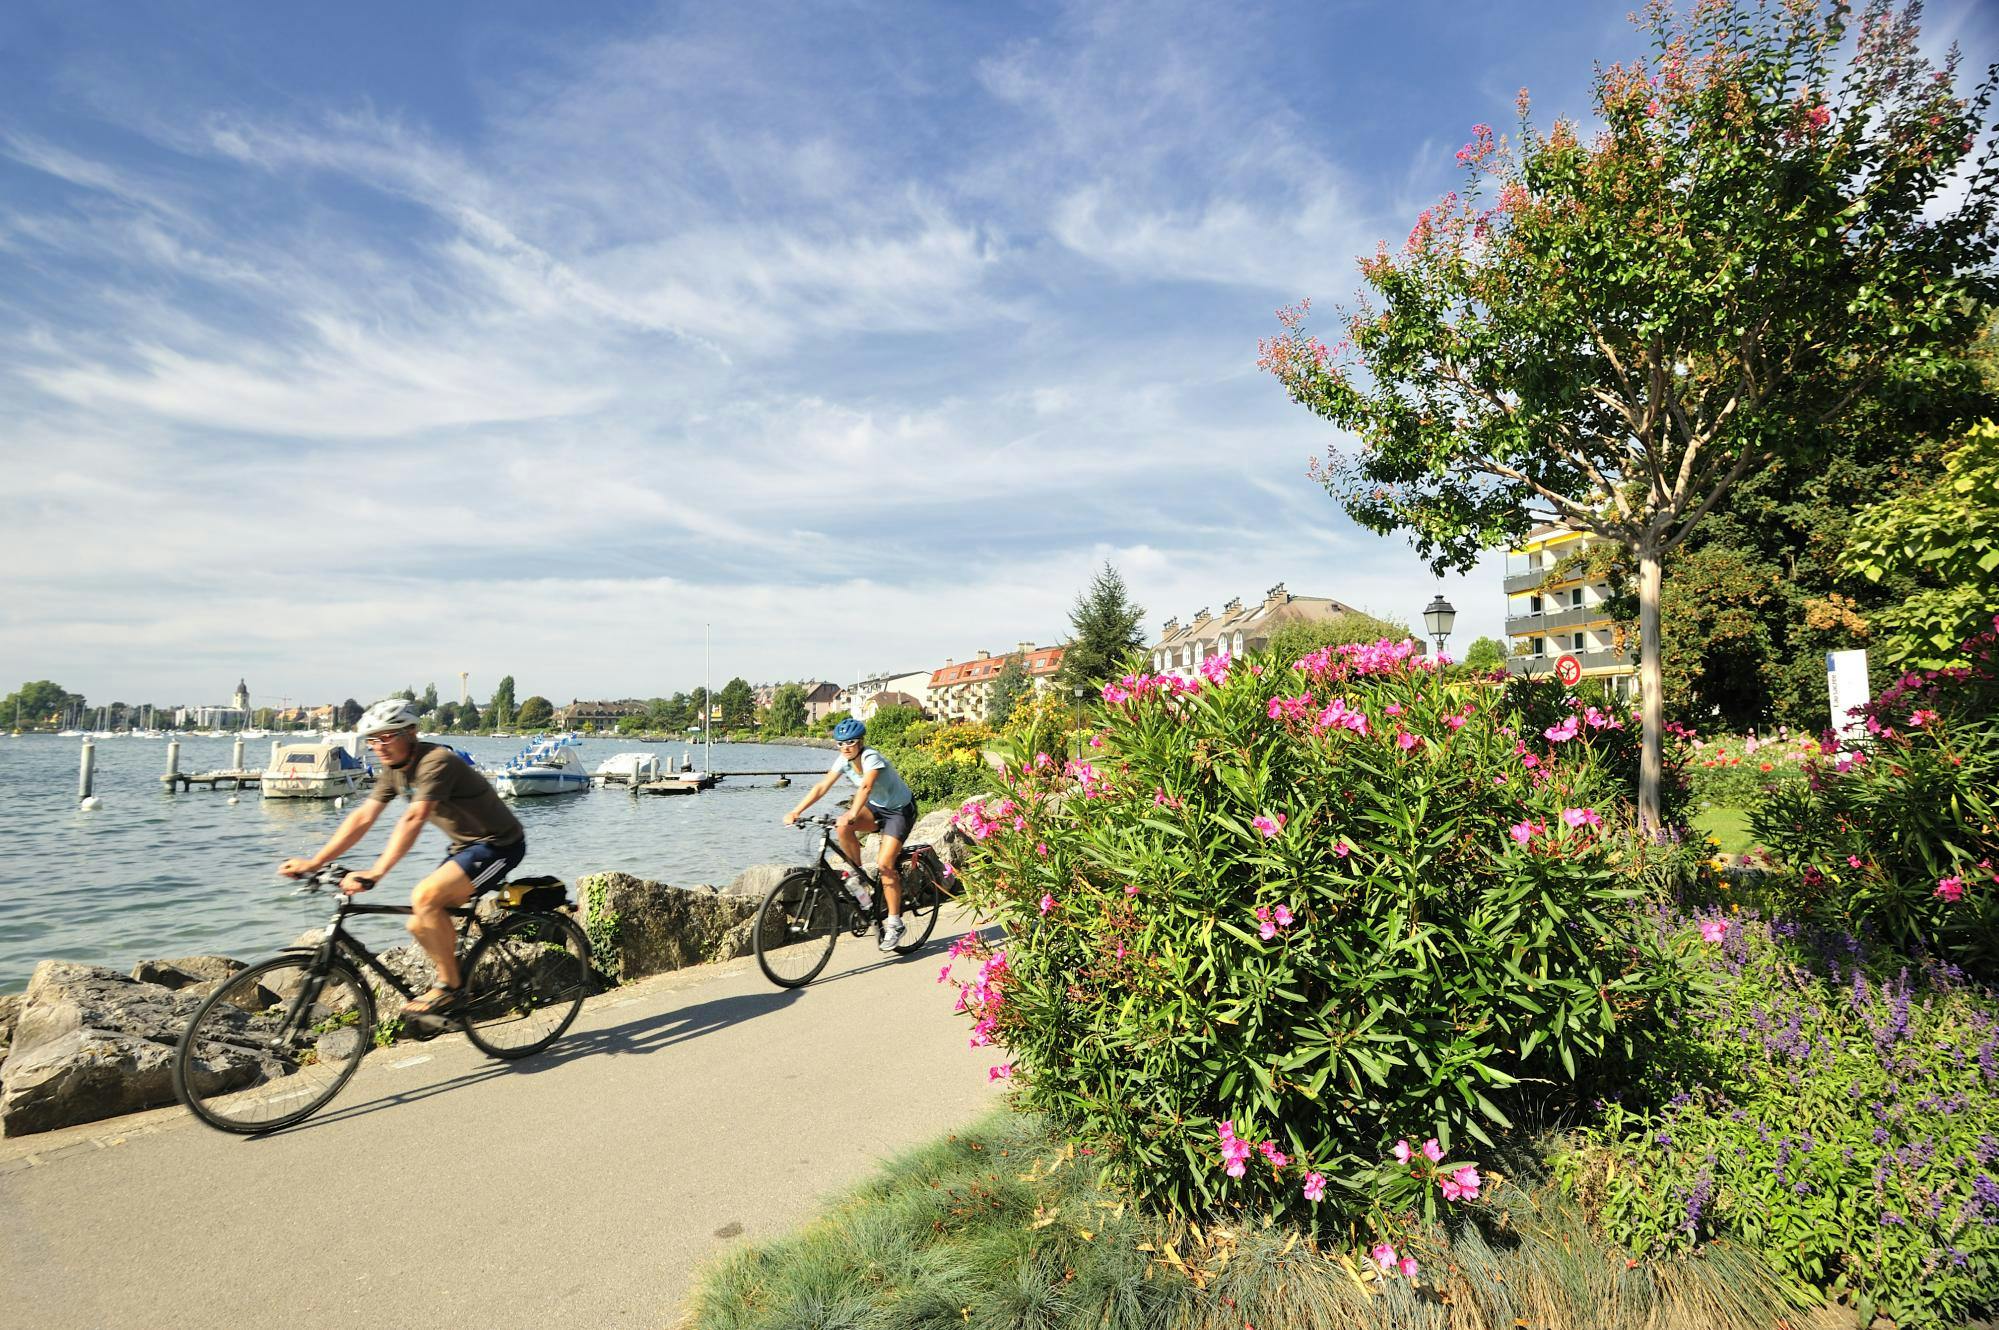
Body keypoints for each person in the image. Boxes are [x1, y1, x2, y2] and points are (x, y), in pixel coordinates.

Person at [279, 698, 526, 1016]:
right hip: (464, 848)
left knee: (424, 898)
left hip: (499, 844)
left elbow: (414, 818)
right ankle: (455, 985)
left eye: (385, 736)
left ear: (410, 732)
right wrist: (314, 863)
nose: (377, 746)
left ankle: (450, 989)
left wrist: (376, 872)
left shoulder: (436, 762)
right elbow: (364, 817)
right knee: (416, 922)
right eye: (372, 739)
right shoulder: (393, 770)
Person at [783, 716, 918, 951]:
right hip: (877, 807)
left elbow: (866, 787)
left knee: (886, 865)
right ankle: (858, 874)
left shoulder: (870, 757)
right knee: (842, 826)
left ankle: (895, 924)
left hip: (899, 811)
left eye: (851, 742)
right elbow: (822, 787)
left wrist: (853, 812)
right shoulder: (843, 760)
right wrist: (796, 811)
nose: (846, 747)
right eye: (840, 744)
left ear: (861, 741)